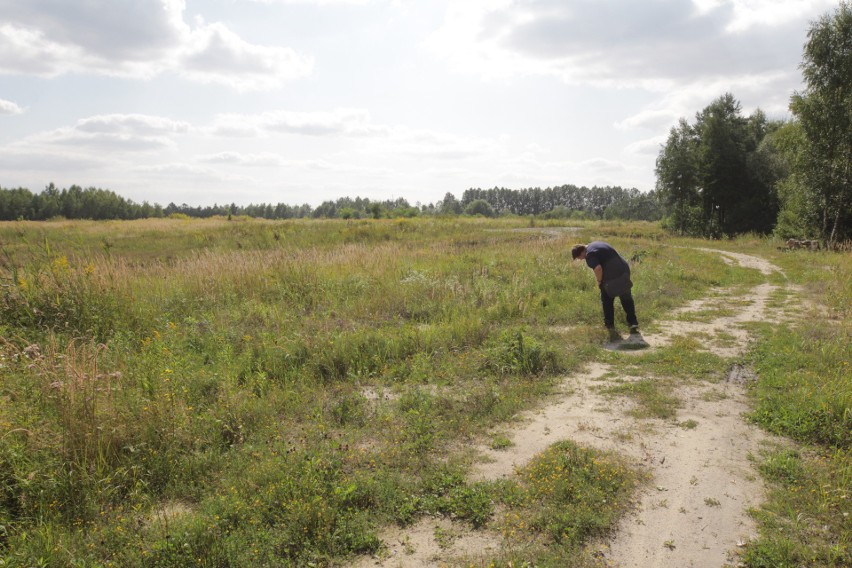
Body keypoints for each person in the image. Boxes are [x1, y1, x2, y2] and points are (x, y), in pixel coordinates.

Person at [572, 242, 639, 340]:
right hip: (624, 270)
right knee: (626, 297)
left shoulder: (589, 254)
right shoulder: (596, 244)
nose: (581, 259)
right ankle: (633, 322)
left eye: (579, 257)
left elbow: (598, 268)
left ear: (582, 252)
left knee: (606, 299)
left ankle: (609, 325)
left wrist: (599, 281)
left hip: (613, 275)